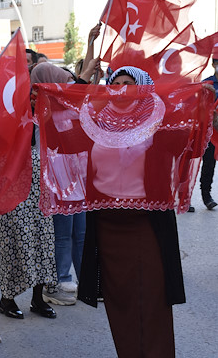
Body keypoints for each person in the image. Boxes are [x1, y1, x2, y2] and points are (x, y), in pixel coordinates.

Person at [71, 66, 190, 357]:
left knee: (152, 296)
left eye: (129, 83)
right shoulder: (94, 123)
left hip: (147, 222)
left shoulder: (160, 123)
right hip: (108, 224)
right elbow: (61, 125)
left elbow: (191, 143)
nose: (122, 88)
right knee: (119, 299)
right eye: (116, 83)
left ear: (143, 88)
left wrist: (199, 103)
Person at [0, 63, 58, 320]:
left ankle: (37, 299)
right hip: (12, 189)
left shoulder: (43, 112)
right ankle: (6, 300)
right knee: (16, 245)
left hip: (39, 189)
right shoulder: (4, 114)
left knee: (43, 243)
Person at [29, 63, 86, 306]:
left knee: (81, 233)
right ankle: (61, 279)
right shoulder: (39, 107)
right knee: (62, 235)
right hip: (56, 179)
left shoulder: (71, 105)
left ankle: (86, 280)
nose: (67, 86)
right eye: (61, 81)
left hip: (78, 177)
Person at [199, 58, 218, 210]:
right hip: (212, 132)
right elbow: (199, 107)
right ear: (213, 64)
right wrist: (214, 118)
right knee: (209, 164)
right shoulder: (207, 84)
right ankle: (206, 196)